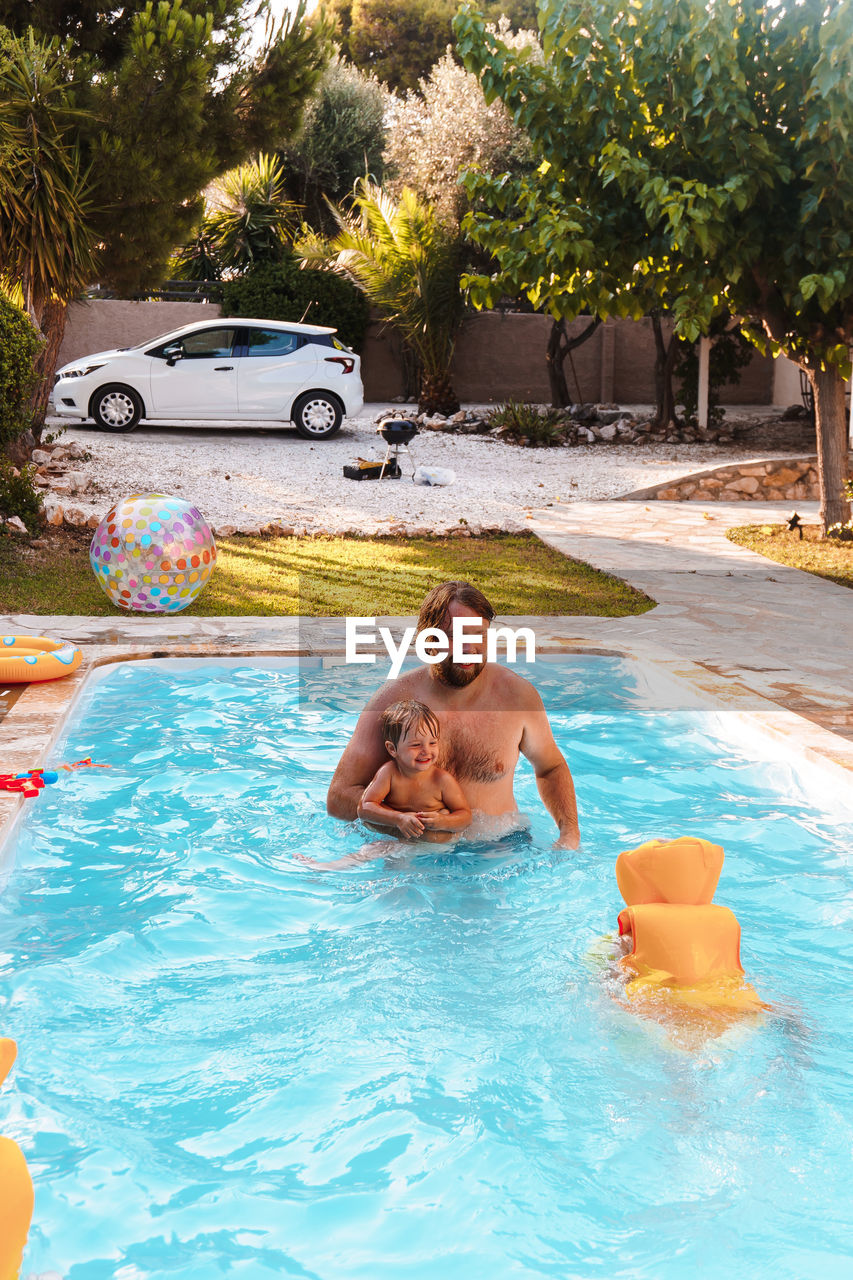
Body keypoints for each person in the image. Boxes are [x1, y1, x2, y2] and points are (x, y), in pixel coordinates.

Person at [327, 581, 580, 848]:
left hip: (500, 846)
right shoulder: (392, 702)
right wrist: (404, 821)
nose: (468, 648)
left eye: (477, 635)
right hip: (415, 851)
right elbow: (339, 796)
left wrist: (569, 834)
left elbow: (550, 767)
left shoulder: (517, 697)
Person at [358, 699, 472, 843]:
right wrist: (399, 819)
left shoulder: (441, 779)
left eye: (432, 743)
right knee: (370, 852)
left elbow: (465, 816)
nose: (426, 751)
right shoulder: (389, 773)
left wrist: (444, 821)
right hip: (401, 837)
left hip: (434, 844)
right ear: (392, 749)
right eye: (416, 745)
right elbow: (364, 807)